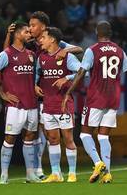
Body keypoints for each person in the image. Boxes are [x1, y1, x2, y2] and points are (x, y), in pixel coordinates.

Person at [62, 21, 127, 184]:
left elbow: (81, 72)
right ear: (110, 33)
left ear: (97, 33)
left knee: (84, 134)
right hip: (113, 98)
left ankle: (98, 163)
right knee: (103, 136)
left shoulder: (92, 50)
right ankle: (107, 173)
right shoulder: (119, 50)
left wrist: (69, 91)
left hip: (96, 97)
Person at [3, 11, 83, 179]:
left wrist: (65, 52)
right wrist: (9, 35)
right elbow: (8, 55)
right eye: (29, 26)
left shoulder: (53, 41)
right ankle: (39, 169)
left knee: (46, 134)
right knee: (41, 134)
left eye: (33, 25)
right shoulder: (29, 43)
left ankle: (56, 171)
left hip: (53, 96)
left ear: (43, 27)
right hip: (35, 94)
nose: (30, 29)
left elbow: (79, 49)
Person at [0, 22, 40, 184]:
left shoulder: (31, 54)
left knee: (29, 138)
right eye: (26, 32)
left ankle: (30, 174)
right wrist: (2, 94)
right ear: (17, 34)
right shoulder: (6, 54)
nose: (30, 34)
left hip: (31, 104)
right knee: (10, 139)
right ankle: (4, 175)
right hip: (15, 105)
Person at [35, 27, 81, 183]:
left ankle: (72, 173)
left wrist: (67, 77)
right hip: (48, 105)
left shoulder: (66, 56)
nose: (40, 40)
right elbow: (37, 73)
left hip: (64, 104)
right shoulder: (41, 57)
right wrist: (35, 85)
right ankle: (56, 173)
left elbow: (83, 71)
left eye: (43, 37)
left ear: (52, 39)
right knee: (53, 139)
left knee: (68, 139)